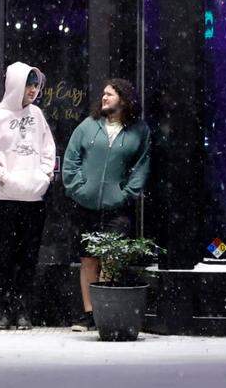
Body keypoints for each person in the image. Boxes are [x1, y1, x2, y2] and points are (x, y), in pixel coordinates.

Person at [61, 78, 151, 332]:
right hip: (85, 203)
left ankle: (106, 312)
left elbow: (141, 167)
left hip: (117, 206)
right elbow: (71, 159)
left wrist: (125, 194)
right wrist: (78, 188)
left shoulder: (139, 131)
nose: (104, 98)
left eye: (110, 95)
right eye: (103, 94)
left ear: (124, 99)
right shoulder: (88, 127)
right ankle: (89, 313)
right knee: (88, 258)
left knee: (111, 258)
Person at [0, 62, 57, 330]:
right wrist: (1, 178)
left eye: (36, 85)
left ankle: (23, 311)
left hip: (33, 200)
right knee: (5, 257)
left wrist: (44, 178)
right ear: (15, 85)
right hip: (4, 199)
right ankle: (3, 310)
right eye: (28, 84)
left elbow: (48, 150)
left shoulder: (38, 116)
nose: (33, 90)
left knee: (28, 258)